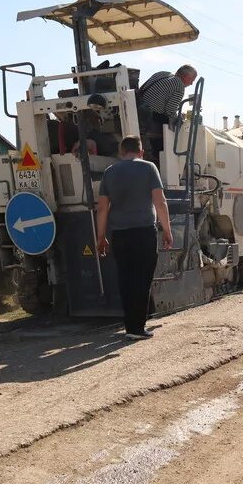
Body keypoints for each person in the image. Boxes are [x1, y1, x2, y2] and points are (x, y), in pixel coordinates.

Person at [96, 135, 174, 339]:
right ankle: (137, 328)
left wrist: (101, 236)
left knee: (126, 279)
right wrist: (167, 230)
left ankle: (131, 325)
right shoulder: (149, 168)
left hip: (119, 234)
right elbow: (160, 202)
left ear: (122, 152)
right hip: (143, 231)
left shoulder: (110, 172)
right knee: (142, 279)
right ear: (141, 152)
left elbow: (102, 208)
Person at [136, 64, 197, 159]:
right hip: (150, 117)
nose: (191, 83)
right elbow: (170, 111)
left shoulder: (162, 74)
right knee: (175, 125)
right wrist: (180, 118)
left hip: (138, 108)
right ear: (185, 76)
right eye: (192, 80)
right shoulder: (179, 85)